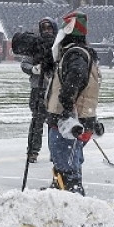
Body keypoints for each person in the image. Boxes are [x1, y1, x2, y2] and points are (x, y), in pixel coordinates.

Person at [45, 11, 102, 195]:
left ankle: (71, 197)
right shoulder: (82, 53)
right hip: (82, 118)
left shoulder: (75, 54)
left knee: (65, 162)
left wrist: (67, 105)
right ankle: (60, 191)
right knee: (67, 160)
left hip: (71, 120)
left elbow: (75, 77)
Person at [20, 17, 58, 164]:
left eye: (49, 28)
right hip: (38, 88)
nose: (47, 31)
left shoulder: (59, 46)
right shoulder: (34, 46)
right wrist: (34, 70)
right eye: (44, 28)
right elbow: (24, 64)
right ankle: (33, 151)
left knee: (54, 123)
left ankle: (55, 152)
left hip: (55, 89)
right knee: (37, 121)